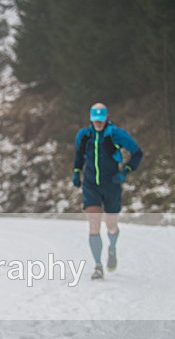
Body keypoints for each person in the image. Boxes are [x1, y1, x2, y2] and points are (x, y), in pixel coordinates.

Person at [72, 103, 143, 280]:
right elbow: (79, 155)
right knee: (94, 224)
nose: (98, 123)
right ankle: (97, 266)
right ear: (91, 119)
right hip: (90, 185)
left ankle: (112, 248)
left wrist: (125, 172)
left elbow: (137, 153)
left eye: (101, 119)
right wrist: (76, 171)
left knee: (111, 226)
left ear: (106, 118)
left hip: (111, 184)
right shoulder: (84, 135)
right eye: (95, 120)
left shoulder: (116, 134)